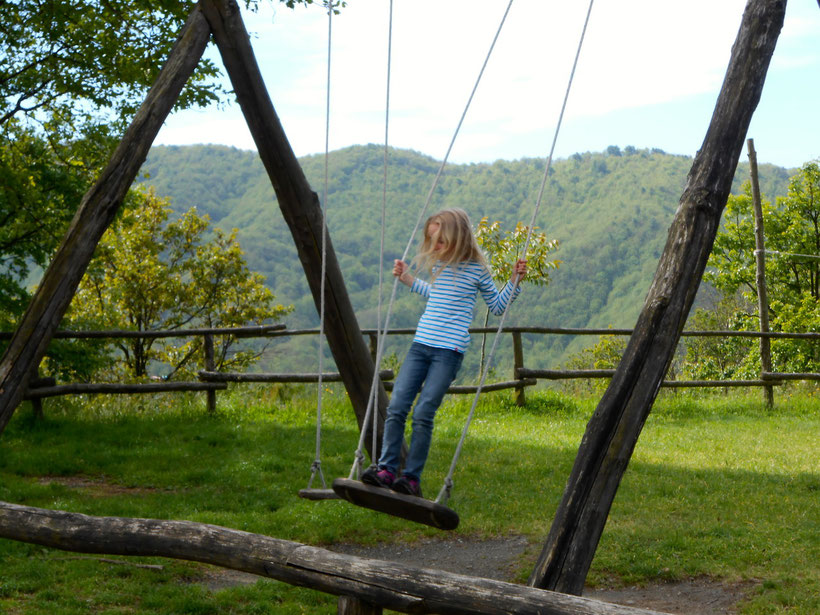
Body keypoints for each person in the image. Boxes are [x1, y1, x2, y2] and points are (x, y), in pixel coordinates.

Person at [362, 208, 527, 498]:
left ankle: (411, 479)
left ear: (456, 237)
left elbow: (498, 306)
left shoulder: (477, 270)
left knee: (424, 412)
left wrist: (514, 281)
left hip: (448, 351)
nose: (434, 247)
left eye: (439, 241)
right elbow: (436, 294)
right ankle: (387, 470)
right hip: (420, 345)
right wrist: (409, 280)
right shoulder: (439, 266)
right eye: (432, 241)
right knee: (397, 405)